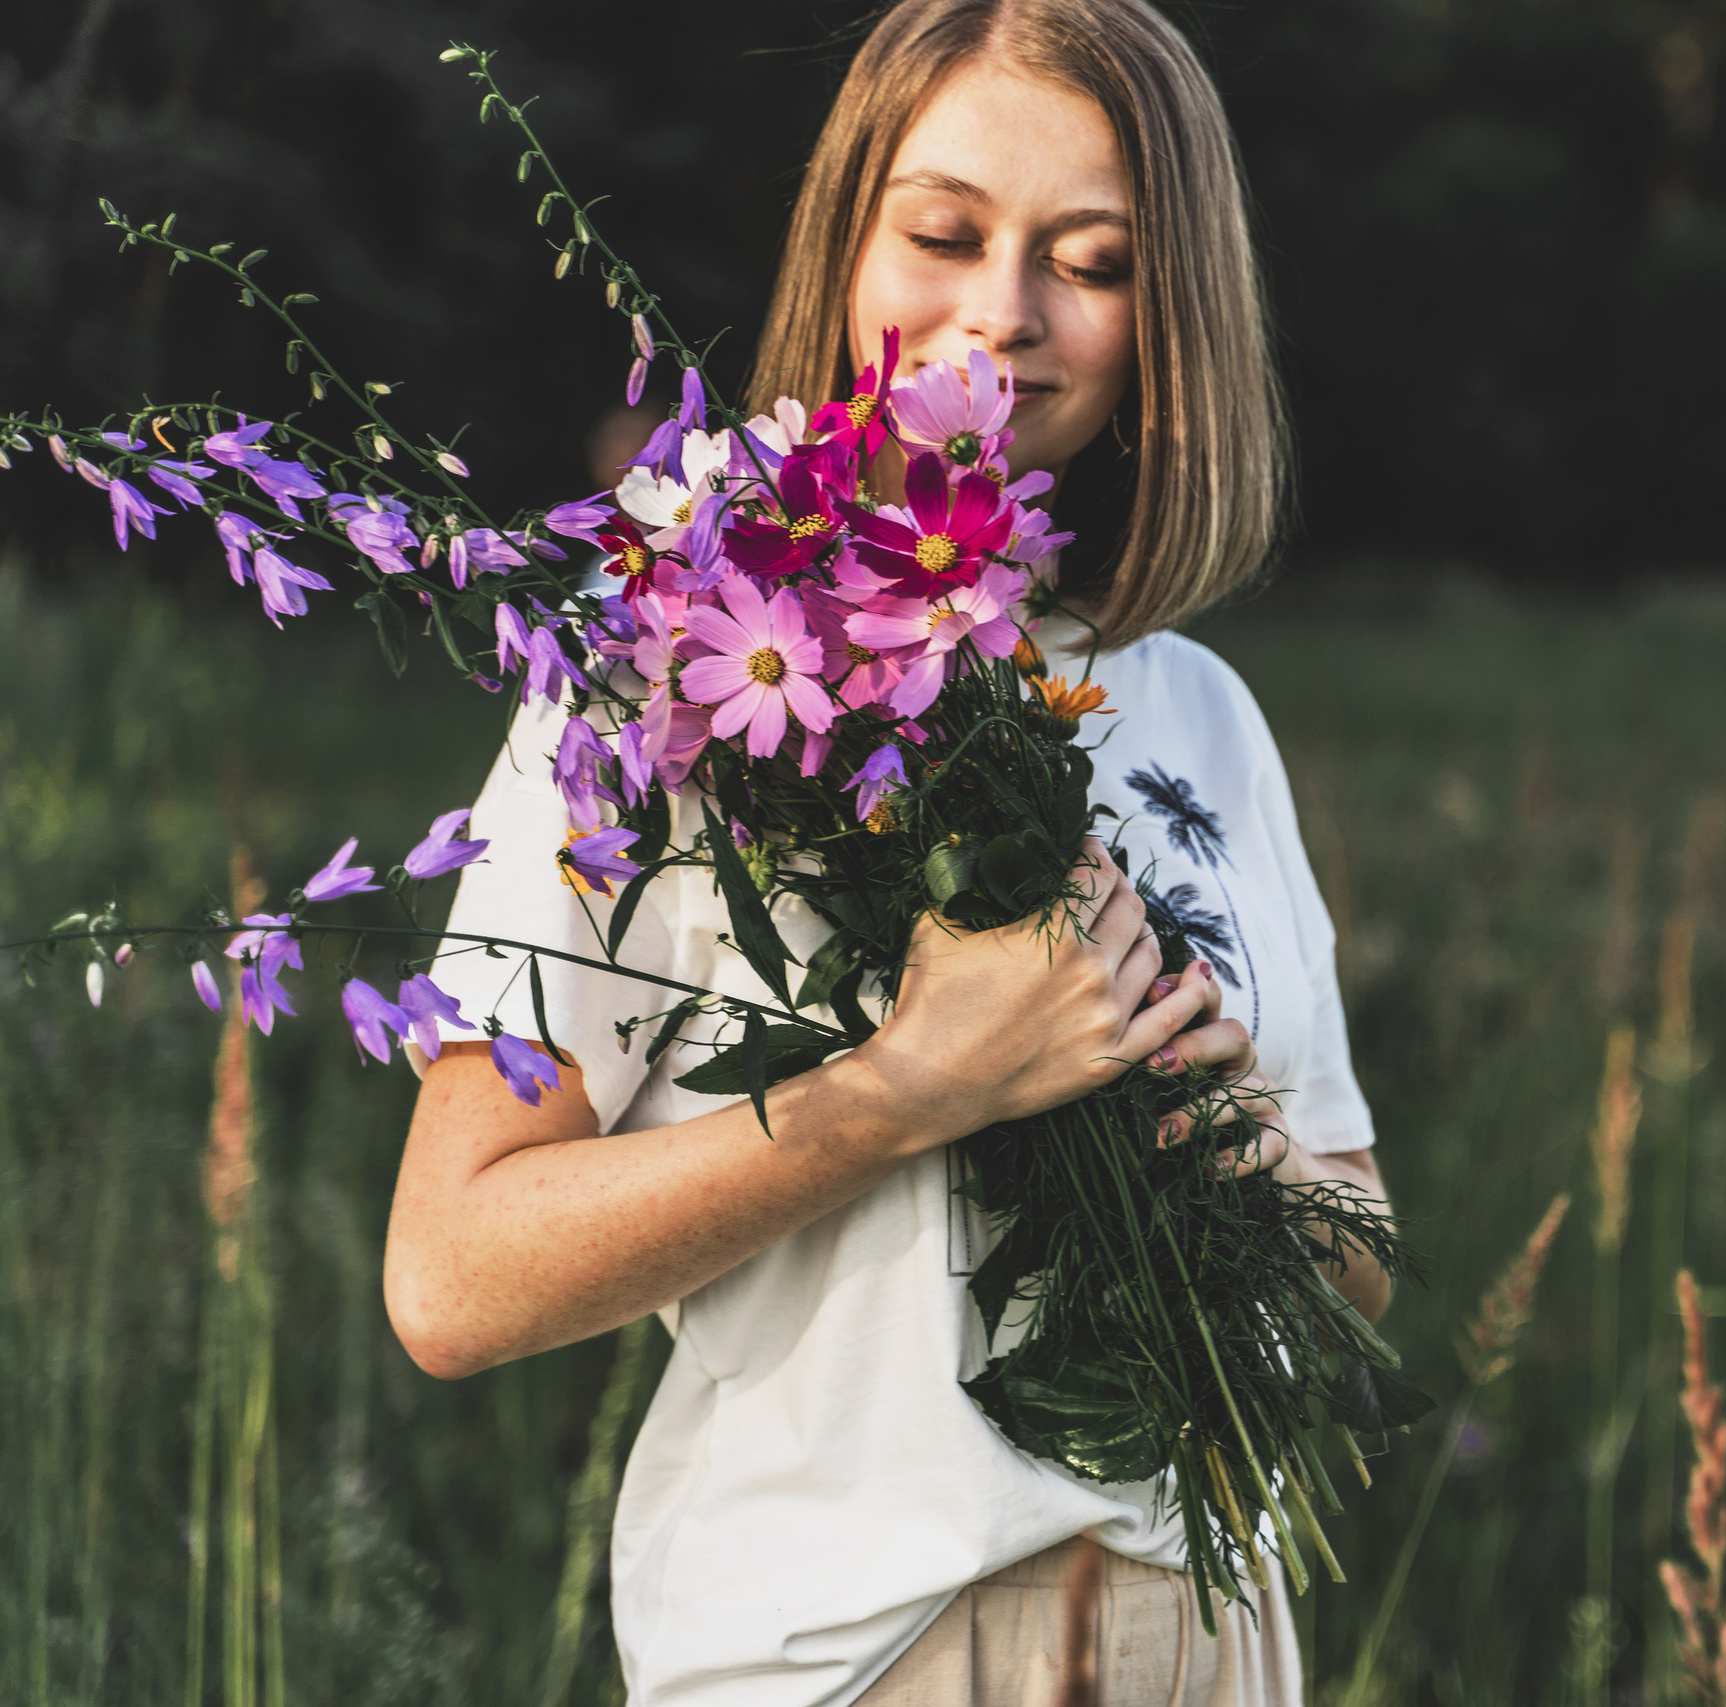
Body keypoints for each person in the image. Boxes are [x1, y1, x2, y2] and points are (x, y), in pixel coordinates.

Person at [382, 4, 1394, 1701]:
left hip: (1206, 1634)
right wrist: (903, 1090)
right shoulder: (672, 677)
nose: (1002, 314)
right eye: (942, 231)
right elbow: (452, 1273)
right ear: (847, 246)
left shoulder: (1198, 712)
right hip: (859, 1649)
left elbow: (1358, 1256)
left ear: (1175, 316)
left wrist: (1236, 1141)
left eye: (1094, 259)